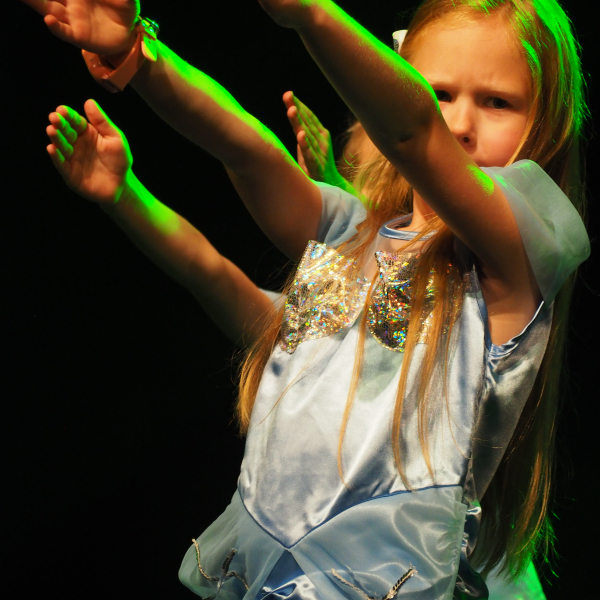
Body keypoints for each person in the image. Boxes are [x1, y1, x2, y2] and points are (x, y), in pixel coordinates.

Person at [25, 0, 590, 597]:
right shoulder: (350, 233)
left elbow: (415, 133)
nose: (460, 124)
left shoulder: (515, 258)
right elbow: (246, 152)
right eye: (438, 94)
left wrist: (311, 13)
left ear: (547, 124)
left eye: (497, 102)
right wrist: (138, 57)